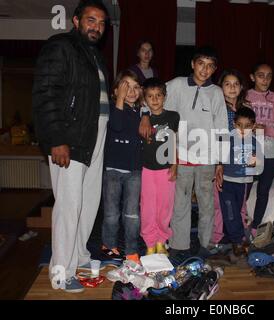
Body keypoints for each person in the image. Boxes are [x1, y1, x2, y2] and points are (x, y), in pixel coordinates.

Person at [32, 0, 110, 293]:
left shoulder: (95, 56)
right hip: (71, 137)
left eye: (102, 23)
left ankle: (79, 256)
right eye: (91, 20)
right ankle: (61, 271)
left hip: (95, 136)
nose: (97, 27)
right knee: (69, 203)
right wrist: (56, 139)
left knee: (88, 203)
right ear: (76, 21)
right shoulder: (61, 46)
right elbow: (45, 94)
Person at [140, 46, 228, 258]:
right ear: (192, 64)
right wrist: (144, 114)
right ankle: (179, 246)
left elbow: (222, 128)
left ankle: (205, 245)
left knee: (207, 205)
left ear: (214, 69)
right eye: (201, 64)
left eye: (210, 66)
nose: (204, 70)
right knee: (179, 205)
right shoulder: (177, 85)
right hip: (180, 156)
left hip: (207, 159)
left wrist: (220, 162)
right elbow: (151, 97)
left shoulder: (216, 92)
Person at [101, 69, 143, 265]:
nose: (131, 91)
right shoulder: (112, 108)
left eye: (135, 87)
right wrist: (120, 98)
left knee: (132, 213)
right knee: (111, 212)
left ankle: (132, 249)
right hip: (113, 170)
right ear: (116, 90)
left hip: (134, 170)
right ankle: (108, 245)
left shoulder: (141, 112)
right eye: (126, 87)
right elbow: (116, 125)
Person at [247, 63, 274, 235]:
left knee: (263, 190)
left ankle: (256, 226)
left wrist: (268, 130)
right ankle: (242, 219)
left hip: (271, 150)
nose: (265, 79)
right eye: (260, 75)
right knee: (245, 187)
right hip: (251, 150)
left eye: (269, 76)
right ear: (252, 77)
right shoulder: (246, 96)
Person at [140, 78, 179, 256]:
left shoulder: (173, 116)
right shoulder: (142, 118)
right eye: (150, 96)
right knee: (148, 209)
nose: (154, 99)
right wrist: (143, 114)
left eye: (158, 96)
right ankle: (150, 243)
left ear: (164, 97)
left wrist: (175, 164)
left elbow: (174, 141)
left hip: (165, 170)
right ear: (145, 99)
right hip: (147, 170)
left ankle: (161, 242)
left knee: (164, 208)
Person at [211, 69, 250, 246]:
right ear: (221, 87)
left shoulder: (247, 109)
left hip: (242, 165)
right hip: (222, 162)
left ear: (241, 87)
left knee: (240, 203)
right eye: (227, 84)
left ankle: (240, 238)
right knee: (220, 203)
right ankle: (217, 237)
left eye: (236, 84)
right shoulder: (218, 108)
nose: (232, 88)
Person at [219, 107, 261, 256]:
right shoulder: (227, 139)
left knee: (237, 211)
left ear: (254, 126)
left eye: (248, 126)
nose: (243, 129)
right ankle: (238, 240)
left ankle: (238, 239)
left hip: (243, 183)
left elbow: (253, 166)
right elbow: (220, 159)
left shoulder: (255, 143)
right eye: (239, 125)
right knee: (229, 211)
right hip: (227, 181)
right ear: (234, 124)